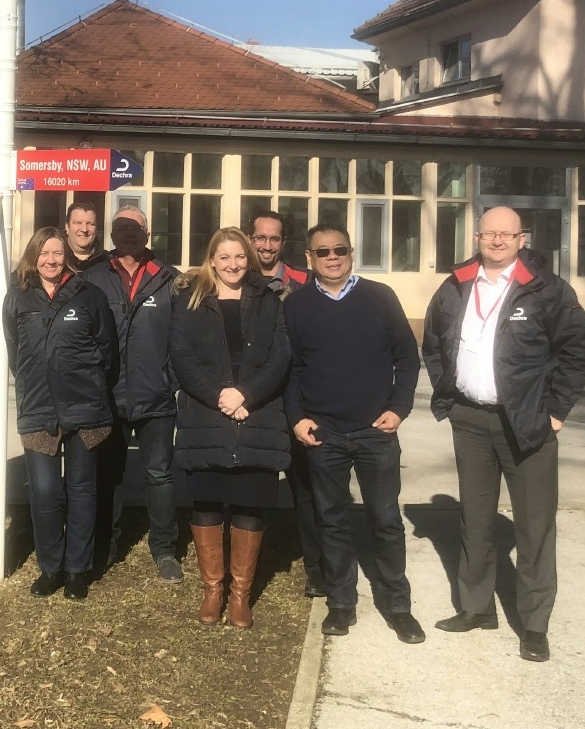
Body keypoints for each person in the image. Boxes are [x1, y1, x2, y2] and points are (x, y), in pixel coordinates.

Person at [422, 206, 585, 662]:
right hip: (471, 422)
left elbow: (578, 351)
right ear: (477, 236)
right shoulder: (457, 285)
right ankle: (476, 607)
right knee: (474, 519)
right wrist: (451, 392)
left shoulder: (547, 290)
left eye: (507, 234)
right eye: (489, 234)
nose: (497, 241)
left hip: (528, 424)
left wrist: (555, 411)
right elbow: (435, 343)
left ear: (523, 238)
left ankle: (534, 625)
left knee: (534, 526)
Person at [284, 222, 423, 643]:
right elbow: (290, 370)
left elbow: (408, 359)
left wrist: (398, 409)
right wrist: (297, 417)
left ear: (351, 253)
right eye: (322, 251)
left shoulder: (379, 298)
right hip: (323, 434)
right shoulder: (297, 306)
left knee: (385, 520)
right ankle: (341, 604)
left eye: (339, 249)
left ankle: (398, 605)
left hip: (374, 433)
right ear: (309, 258)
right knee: (333, 521)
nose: (332, 257)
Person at [168, 228, 291, 627]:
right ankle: (212, 592)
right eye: (224, 258)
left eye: (240, 256)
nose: (233, 265)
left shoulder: (268, 299)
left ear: (249, 258)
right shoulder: (191, 299)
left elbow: (280, 356)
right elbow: (181, 356)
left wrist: (246, 396)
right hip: (207, 414)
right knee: (206, 503)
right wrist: (220, 395)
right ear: (211, 260)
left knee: (249, 503)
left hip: (257, 414)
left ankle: (240, 595)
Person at [4, 227, 119, 599]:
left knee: (82, 490)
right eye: (44, 253)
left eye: (57, 253)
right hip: (38, 408)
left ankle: (76, 570)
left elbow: (108, 352)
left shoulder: (90, 296)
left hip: (84, 409)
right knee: (44, 492)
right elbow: (14, 351)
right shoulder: (19, 298)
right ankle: (50, 567)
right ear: (33, 257)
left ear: (66, 256)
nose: (51, 260)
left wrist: (88, 385)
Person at [86, 207, 183, 583]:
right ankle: (105, 546)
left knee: (159, 475)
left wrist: (168, 379)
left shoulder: (168, 279)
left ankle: (164, 549)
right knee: (107, 475)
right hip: (107, 398)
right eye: (121, 228)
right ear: (111, 234)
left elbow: (181, 339)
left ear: (148, 233)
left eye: (135, 228)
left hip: (155, 397)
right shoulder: (93, 276)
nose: (127, 233)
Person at [251, 210, 324, 599]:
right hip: (254, 401)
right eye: (260, 238)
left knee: (306, 488)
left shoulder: (304, 283)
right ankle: (250, 566)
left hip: (297, 400)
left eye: (274, 239)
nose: (266, 245)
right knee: (253, 486)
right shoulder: (234, 280)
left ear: (284, 243)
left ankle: (317, 567)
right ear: (251, 239)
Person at [64, 201, 108, 274]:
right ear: (67, 227)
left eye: (90, 224)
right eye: (78, 223)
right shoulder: (54, 262)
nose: (84, 229)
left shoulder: (108, 263)